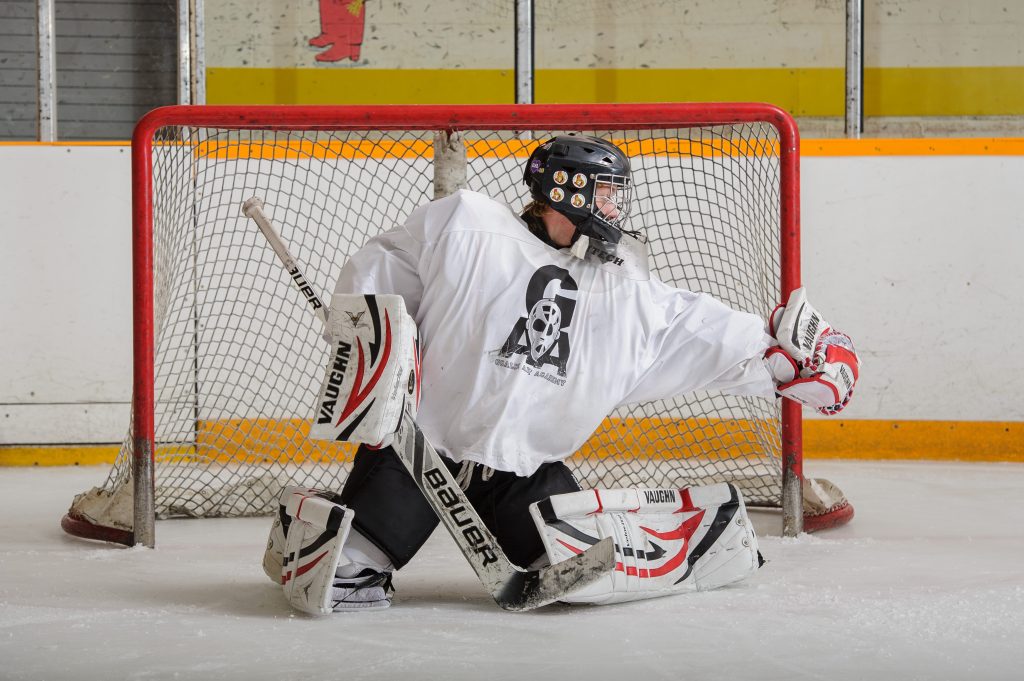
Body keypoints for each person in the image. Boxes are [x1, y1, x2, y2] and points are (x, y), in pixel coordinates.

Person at [266, 135, 860, 612]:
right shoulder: (469, 225)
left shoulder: (620, 288)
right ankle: (326, 521)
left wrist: (784, 360)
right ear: (564, 191)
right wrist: (375, 338)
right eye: (605, 193)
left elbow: (689, 327)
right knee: (343, 579)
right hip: (421, 456)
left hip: (523, 475)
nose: (615, 209)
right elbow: (383, 270)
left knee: (580, 575)